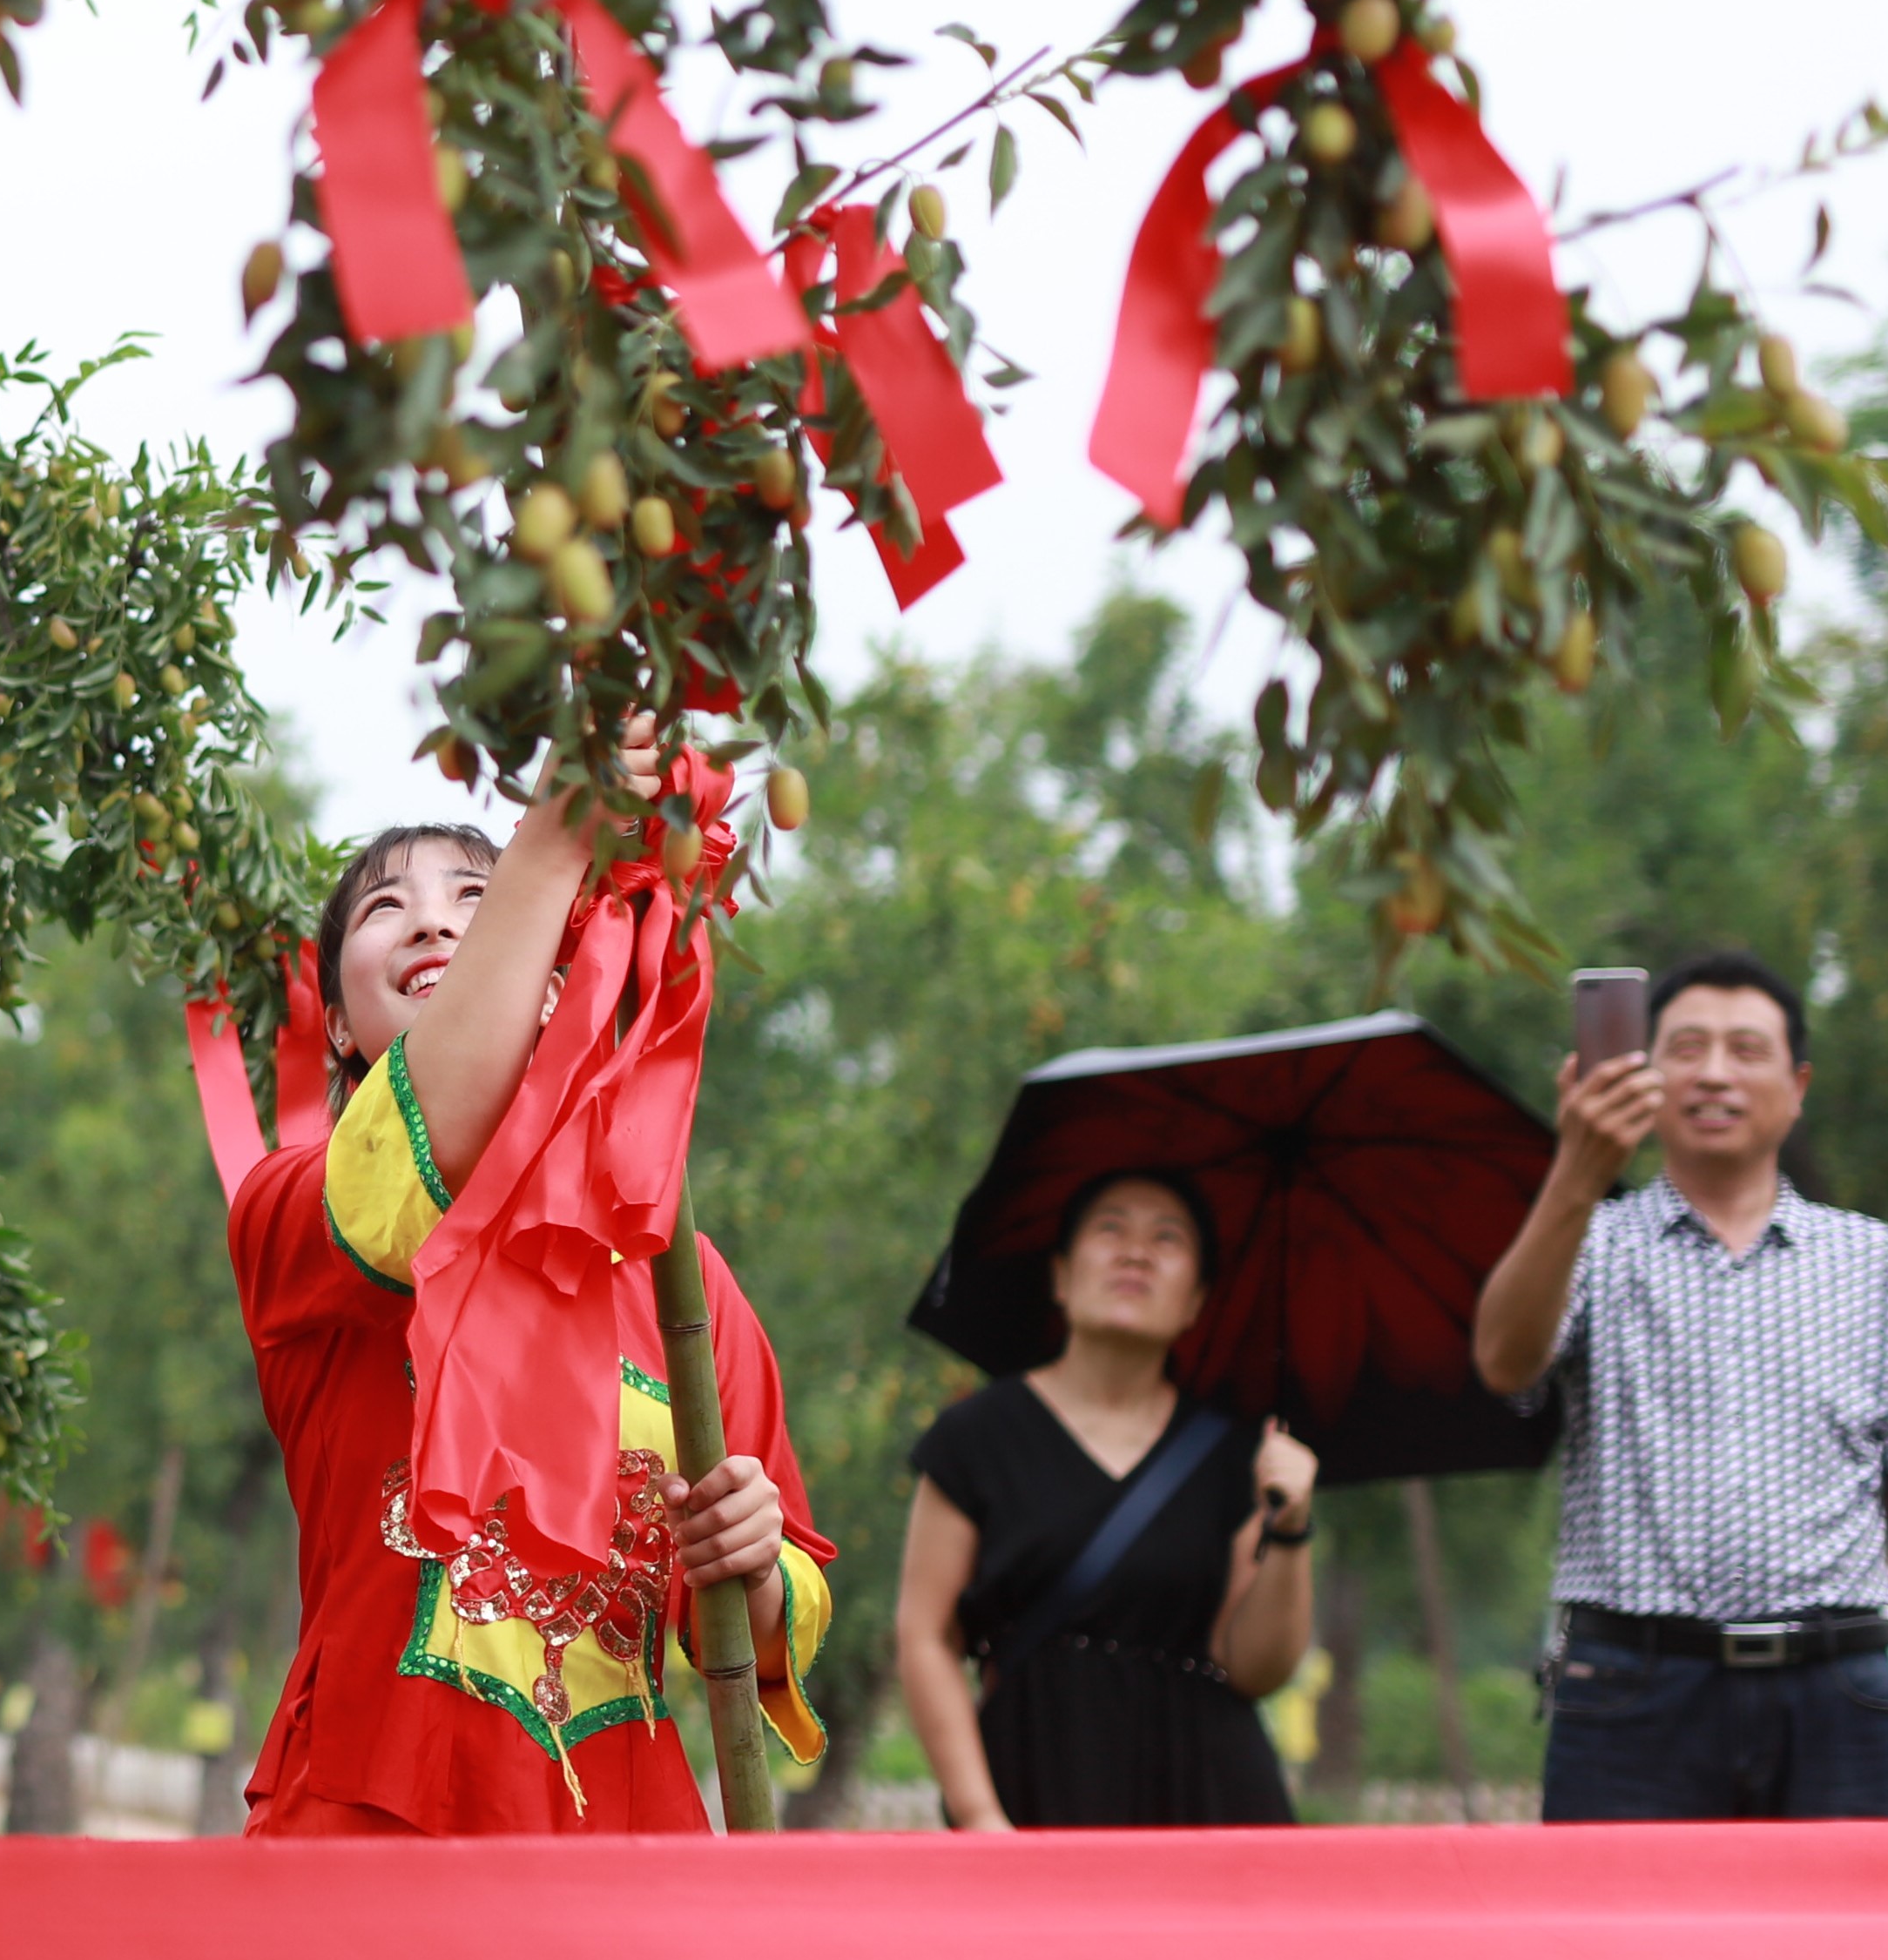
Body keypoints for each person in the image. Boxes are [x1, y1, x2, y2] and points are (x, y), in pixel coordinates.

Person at [229, 763, 826, 1836]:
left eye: (475, 898)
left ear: (564, 983)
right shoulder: (291, 1209)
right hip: (367, 1840)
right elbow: (420, 1169)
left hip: (624, 1870)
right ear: (333, 1028)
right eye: (384, 909)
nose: (431, 924)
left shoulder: (682, 1276)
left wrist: (755, 1559)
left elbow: (776, 1600)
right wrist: (549, 849)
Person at [1467, 949, 1888, 1821]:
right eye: (1685, 1047)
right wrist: (1574, 1171)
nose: (1711, 1072)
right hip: (1628, 1688)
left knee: (1826, 1957)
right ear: (1639, 1071)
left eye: (1744, 1049)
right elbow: (1502, 1361)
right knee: (1614, 1954)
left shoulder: (1874, 1260)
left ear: (1797, 1083)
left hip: (1835, 1688)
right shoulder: (1589, 1240)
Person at [889, 1173, 1322, 1829]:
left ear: (1195, 1301)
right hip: (1031, 1781)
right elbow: (925, 1636)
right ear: (1061, 1277)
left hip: (1208, 1796)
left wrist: (1290, 1527)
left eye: (1168, 1239)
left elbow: (1256, 1668)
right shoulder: (974, 1437)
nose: (1137, 1252)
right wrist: (978, 1814)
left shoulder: (1236, 1454)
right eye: (1110, 1229)